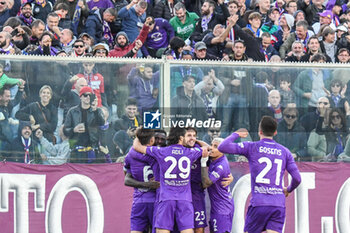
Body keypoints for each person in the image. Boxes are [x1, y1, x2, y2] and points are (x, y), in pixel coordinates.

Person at [218, 116, 301, 233]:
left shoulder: (252, 147)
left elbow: (222, 146)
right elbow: (297, 178)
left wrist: (236, 134)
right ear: (275, 132)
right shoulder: (285, 152)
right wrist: (288, 189)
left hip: (259, 203)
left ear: (259, 131)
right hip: (278, 204)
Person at [132, 126, 208, 233]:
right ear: (181, 138)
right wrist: (196, 140)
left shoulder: (161, 151)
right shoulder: (191, 152)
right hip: (185, 199)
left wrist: (137, 135)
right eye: (186, 136)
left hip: (166, 198)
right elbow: (207, 148)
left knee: (162, 230)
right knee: (187, 230)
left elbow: (137, 147)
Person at [123, 127, 159, 233]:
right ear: (152, 140)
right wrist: (149, 184)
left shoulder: (130, 155)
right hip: (156, 201)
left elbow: (127, 178)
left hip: (139, 201)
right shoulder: (158, 154)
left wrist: (142, 184)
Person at [63, 86, 105, 163]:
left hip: (92, 149)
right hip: (76, 149)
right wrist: (74, 130)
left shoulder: (97, 111)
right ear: (80, 97)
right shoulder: (72, 111)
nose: (88, 97)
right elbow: (65, 130)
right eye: (85, 95)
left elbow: (102, 123)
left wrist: (95, 109)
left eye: (90, 95)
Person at [201, 137, 234, 233]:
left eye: (215, 146)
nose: (211, 148)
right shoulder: (215, 158)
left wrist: (203, 162)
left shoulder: (221, 166)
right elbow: (205, 146)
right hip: (217, 207)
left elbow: (205, 184)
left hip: (223, 209)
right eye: (211, 144)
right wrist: (195, 141)